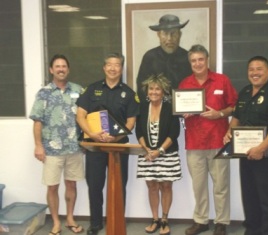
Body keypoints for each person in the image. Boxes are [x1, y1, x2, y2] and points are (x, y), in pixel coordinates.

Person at [223, 56, 268, 235]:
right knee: (249, 195)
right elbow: (236, 118)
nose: (255, 73)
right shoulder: (245, 92)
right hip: (246, 153)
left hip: (267, 154)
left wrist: (261, 148)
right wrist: (229, 133)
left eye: (259, 69)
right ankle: (253, 230)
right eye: (251, 69)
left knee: (266, 197)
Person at [76, 52, 140, 235]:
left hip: (119, 147)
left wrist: (116, 138)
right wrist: (92, 134)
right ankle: (95, 223)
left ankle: (118, 219)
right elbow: (80, 115)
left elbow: (130, 122)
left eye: (117, 65)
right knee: (95, 185)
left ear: (121, 68)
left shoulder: (129, 93)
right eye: (109, 65)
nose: (113, 68)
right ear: (104, 68)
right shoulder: (91, 89)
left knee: (119, 185)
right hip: (95, 146)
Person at [179, 44, 238, 235]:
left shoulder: (222, 81)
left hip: (218, 141)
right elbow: (180, 110)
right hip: (194, 143)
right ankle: (201, 221)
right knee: (199, 186)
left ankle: (221, 222)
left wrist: (220, 113)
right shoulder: (185, 84)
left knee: (221, 185)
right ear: (190, 63)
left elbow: (235, 107)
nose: (197, 63)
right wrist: (184, 113)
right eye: (193, 60)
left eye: (200, 59)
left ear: (207, 60)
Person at [29, 54, 85, 235]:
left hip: (74, 148)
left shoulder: (78, 90)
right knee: (52, 186)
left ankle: (69, 218)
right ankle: (55, 222)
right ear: (51, 70)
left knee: (72, 185)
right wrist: (38, 145)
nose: (61, 69)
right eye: (57, 66)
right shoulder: (44, 93)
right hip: (52, 149)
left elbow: (86, 117)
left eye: (64, 66)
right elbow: (37, 121)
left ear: (68, 69)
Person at [136, 74, 181, 235]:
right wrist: (146, 148)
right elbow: (139, 131)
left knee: (166, 185)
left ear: (163, 92)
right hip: (147, 153)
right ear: (147, 91)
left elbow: (174, 132)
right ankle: (154, 219)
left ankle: (165, 220)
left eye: (157, 89)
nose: (154, 92)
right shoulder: (141, 108)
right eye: (151, 89)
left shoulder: (170, 108)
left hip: (167, 153)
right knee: (152, 186)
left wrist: (160, 151)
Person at [136, 14, 192, 102]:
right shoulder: (150, 57)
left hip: (182, 111)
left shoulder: (187, 57)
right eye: (165, 34)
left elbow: (194, 87)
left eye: (173, 33)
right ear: (158, 34)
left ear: (180, 35)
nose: (169, 38)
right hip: (156, 110)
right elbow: (142, 88)